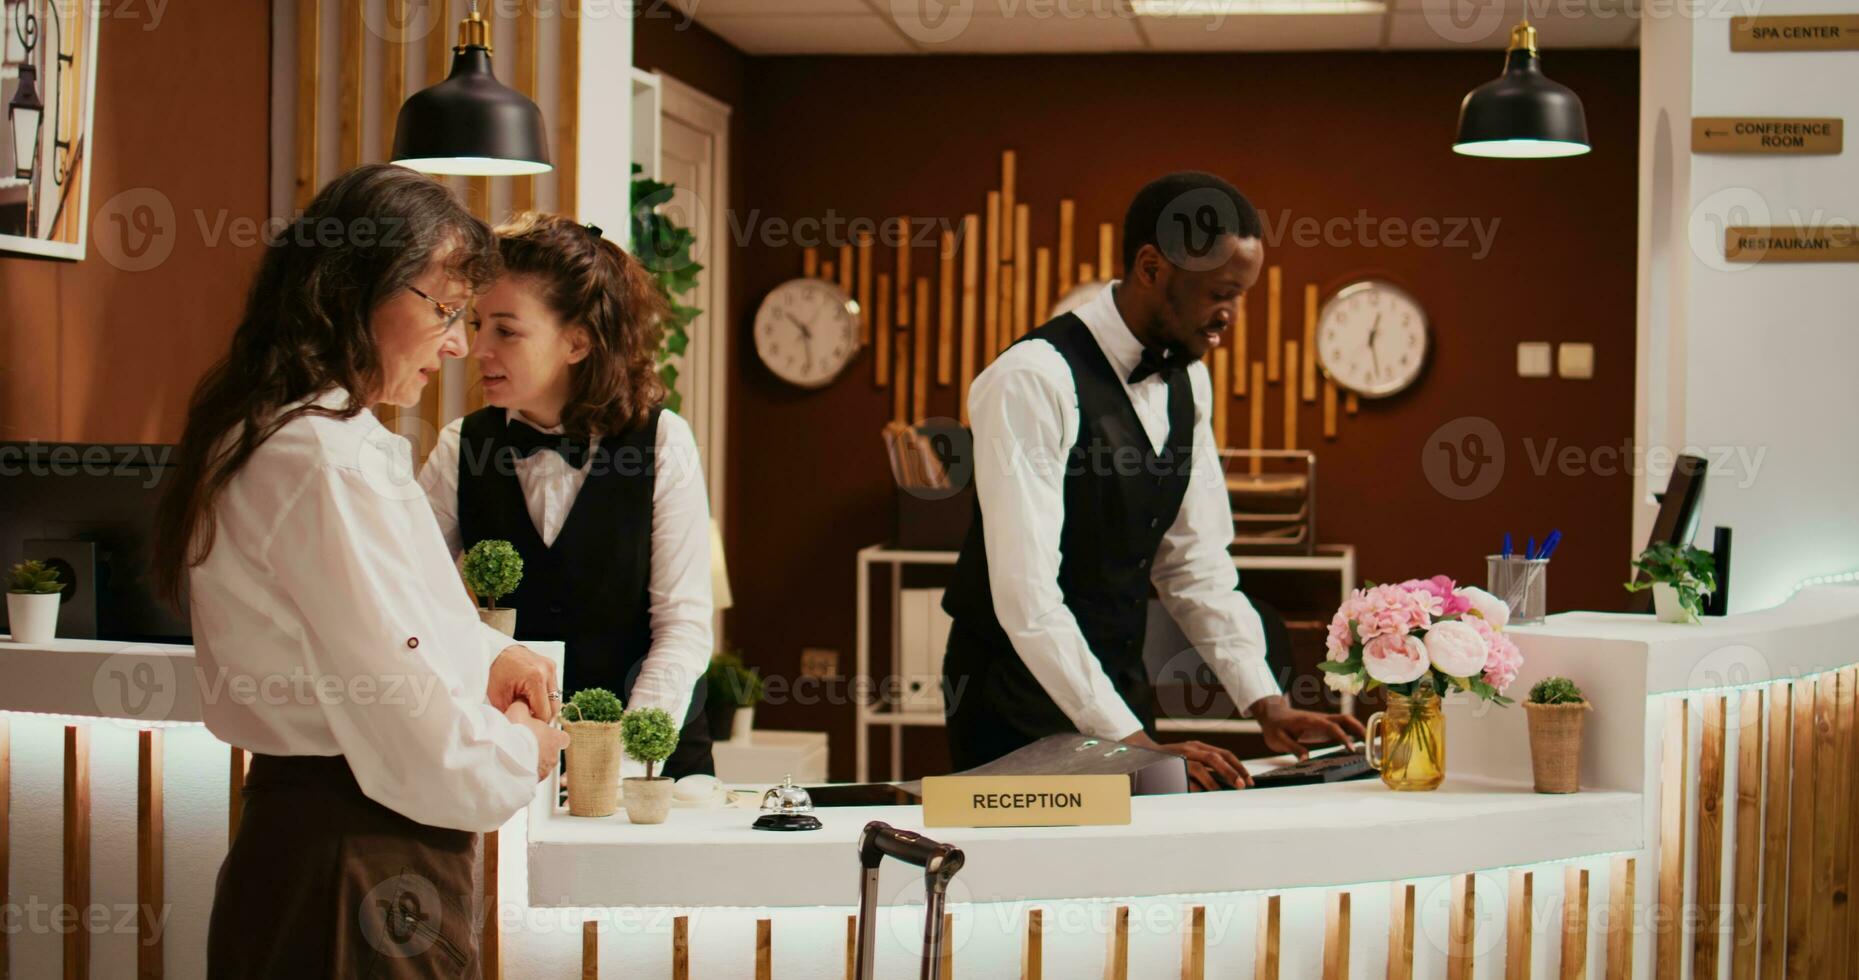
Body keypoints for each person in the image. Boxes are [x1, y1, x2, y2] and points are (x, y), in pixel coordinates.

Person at [153, 163, 570, 977]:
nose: (456, 344)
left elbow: (397, 628)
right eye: (445, 310)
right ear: (350, 287)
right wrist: (522, 750)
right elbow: (416, 731)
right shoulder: (319, 460)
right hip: (358, 864)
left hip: (329, 855)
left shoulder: (309, 440)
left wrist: (495, 655)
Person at [941, 171, 1366, 789]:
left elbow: (1194, 564)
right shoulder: (1032, 380)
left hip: (1117, 686)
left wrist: (1264, 700)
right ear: (1150, 267)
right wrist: (1136, 745)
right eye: (1221, 292)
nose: (1231, 317)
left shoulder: (1190, 379)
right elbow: (1025, 598)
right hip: (1011, 701)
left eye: (1242, 294)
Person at [418, 212, 716, 779]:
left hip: (653, 768)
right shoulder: (463, 445)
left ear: (577, 341)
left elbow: (682, 628)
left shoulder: (663, 441)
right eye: (479, 324)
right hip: (513, 760)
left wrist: (621, 762)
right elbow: (407, 588)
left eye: (506, 330)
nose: (477, 348)